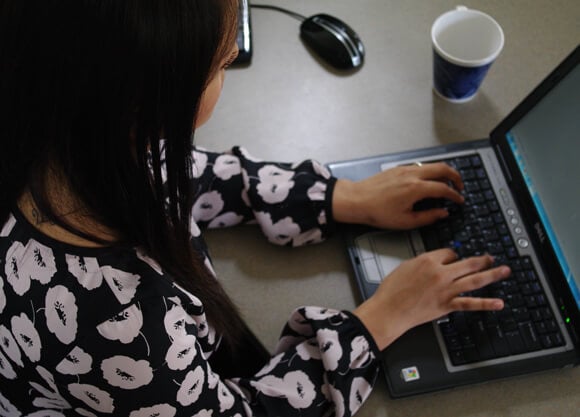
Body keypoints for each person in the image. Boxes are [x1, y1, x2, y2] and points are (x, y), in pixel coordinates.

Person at [0, 1, 510, 416]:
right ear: (139, 102)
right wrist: (380, 320)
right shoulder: (118, 329)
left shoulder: (63, 127)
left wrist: (337, 197)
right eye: (222, 63)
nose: (229, 71)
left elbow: (173, 173)